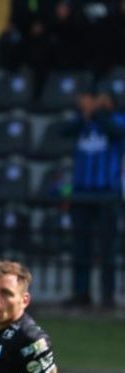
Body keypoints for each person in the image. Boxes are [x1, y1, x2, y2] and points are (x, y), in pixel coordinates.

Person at [65, 91, 124, 308]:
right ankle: (81, 293)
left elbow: (115, 131)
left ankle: (107, 295)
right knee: (80, 247)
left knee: (107, 248)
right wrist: (85, 114)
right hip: (81, 193)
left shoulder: (117, 120)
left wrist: (96, 111)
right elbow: (64, 131)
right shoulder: (83, 122)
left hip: (107, 193)